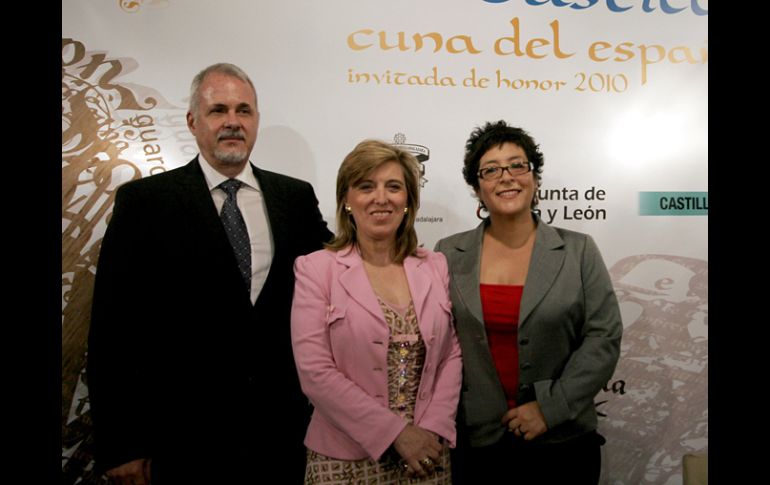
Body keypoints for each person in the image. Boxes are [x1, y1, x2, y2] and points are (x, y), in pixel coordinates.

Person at [87, 63, 333, 484]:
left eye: (244, 110)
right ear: (192, 121)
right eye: (219, 110)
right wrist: (123, 445)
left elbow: (343, 269)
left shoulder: (295, 197)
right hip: (180, 444)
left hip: (281, 440)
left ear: (256, 120)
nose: (233, 122)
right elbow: (112, 331)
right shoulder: (144, 203)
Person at [434, 121, 623, 484]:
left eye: (517, 165)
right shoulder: (447, 253)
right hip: (477, 445)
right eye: (490, 170)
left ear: (534, 178)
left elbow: (603, 337)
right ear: (477, 188)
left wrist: (549, 408)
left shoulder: (578, 249)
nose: (506, 177)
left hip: (562, 442)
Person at [290, 139, 462, 484]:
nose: (381, 198)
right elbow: (314, 371)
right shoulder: (316, 269)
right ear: (347, 200)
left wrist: (430, 431)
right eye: (366, 186)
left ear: (408, 201)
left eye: (394, 187)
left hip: (425, 457)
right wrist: (398, 435)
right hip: (344, 460)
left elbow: (451, 354)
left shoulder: (435, 265)